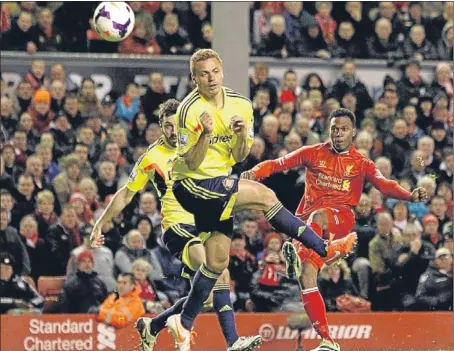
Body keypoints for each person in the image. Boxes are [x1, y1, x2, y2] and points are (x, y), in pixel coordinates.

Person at [166, 49, 357, 350]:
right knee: (265, 196)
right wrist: (204, 134)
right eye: (203, 74)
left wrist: (242, 137)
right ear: (194, 78)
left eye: (215, 71)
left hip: (220, 182)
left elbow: (240, 156)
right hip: (193, 185)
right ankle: (319, 246)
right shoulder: (188, 111)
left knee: (216, 262)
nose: (211, 78)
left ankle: (183, 323)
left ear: (222, 71)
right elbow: (190, 163)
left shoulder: (240, 104)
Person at [241, 107, 428, 351]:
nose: (338, 134)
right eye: (334, 129)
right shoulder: (313, 153)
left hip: (339, 219)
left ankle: (326, 249)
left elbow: (384, 184)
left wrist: (409, 195)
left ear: (353, 132)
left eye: (343, 129)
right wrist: (255, 171)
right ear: (329, 130)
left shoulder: (361, 163)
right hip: (307, 226)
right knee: (307, 277)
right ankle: (327, 339)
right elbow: (278, 163)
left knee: (318, 218)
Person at [90, 99, 261, 351]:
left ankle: (154, 326)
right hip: (178, 227)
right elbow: (126, 193)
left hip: (206, 223)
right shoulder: (152, 156)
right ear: (161, 126)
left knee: (207, 296)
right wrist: (100, 223)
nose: (172, 131)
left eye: (175, 125)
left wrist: (241, 133)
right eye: (167, 126)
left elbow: (235, 155)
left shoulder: (200, 146)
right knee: (215, 270)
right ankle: (231, 341)